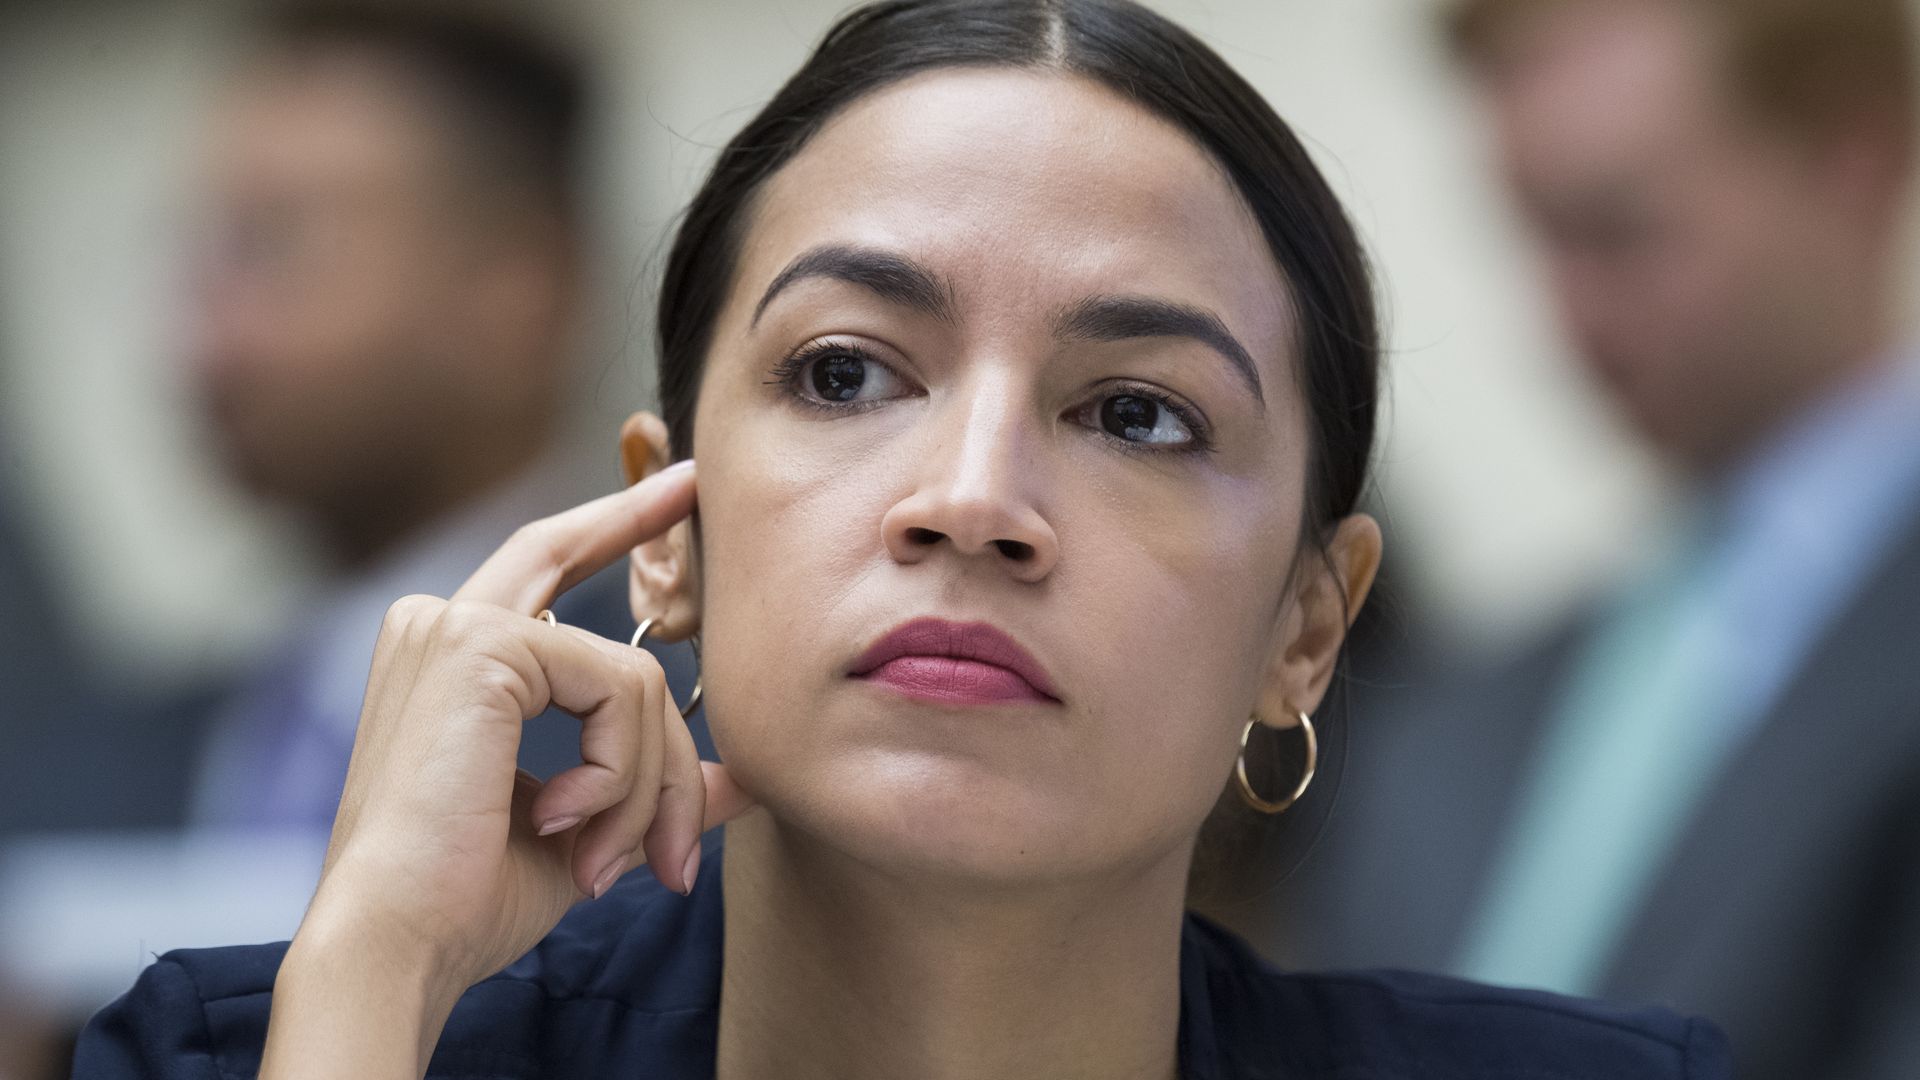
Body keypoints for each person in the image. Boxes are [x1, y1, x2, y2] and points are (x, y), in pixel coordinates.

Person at [75, 1, 1732, 1076]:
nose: (974, 497)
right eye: (847, 372)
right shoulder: (255, 1051)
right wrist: (377, 959)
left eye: (1136, 412)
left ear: (1308, 626)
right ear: (670, 532)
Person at [1260, 2, 1920, 1078]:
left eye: (1620, 227)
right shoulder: (1440, 728)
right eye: (1534, 230)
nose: (1569, 312)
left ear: (1856, 157)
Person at [182, 3, 700, 832]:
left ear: (516, 289)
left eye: (276, 247)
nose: (208, 334)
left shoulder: (665, 748)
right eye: (202, 251)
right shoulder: (185, 726)